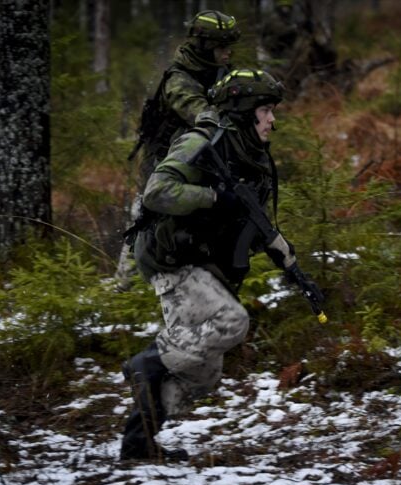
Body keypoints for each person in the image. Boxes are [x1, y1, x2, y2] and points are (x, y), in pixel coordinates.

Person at [119, 68, 321, 462]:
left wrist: (289, 260)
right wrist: (212, 198)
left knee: (203, 373)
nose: (272, 119)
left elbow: (251, 216)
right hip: (173, 260)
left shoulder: (249, 153)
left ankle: (138, 442)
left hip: (201, 263)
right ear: (245, 111)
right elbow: (157, 192)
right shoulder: (202, 143)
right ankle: (148, 360)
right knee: (232, 322)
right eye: (265, 110)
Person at [116, 9, 241, 289]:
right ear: (205, 46)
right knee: (146, 215)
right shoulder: (179, 80)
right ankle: (125, 286)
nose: (227, 53)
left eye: (229, 47)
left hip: (198, 156)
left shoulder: (218, 70)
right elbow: (201, 114)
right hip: (164, 159)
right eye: (222, 47)